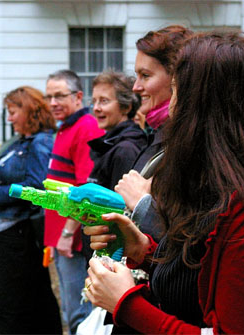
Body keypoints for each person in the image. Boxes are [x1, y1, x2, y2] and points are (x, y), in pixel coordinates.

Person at [83, 31, 244, 334]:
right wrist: (144, 251)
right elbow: (201, 277)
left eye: (176, 91)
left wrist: (126, 303)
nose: (171, 108)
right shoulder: (223, 183)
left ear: (201, 108)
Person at [0, 86, 62, 334]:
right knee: (34, 297)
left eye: (13, 112)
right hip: (14, 231)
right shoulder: (23, 141)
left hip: (21, 232)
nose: (9, 118)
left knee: (13, 304)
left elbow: (37, 187)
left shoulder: (40, 142)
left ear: (30, 111)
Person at [114, 25, 193, 238]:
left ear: (177, 79)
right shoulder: (160, 132)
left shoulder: (187, 144)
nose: (135, 87)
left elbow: (183, 234)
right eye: (136, 76)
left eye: (145, 75)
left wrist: (142, 203)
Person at [43, 69, 104, 334]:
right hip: (60, 238)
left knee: (80, 315)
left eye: (59, 96)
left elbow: (85, 188)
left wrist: (68, 233)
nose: (53, 103)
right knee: (70, 309)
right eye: (49, 96)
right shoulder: (65, 127)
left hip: (73, 241)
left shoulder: (85, 127)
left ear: (78, 96)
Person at [82, 70, 146, 261]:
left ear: (126, 107)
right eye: (94, 101)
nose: (96, 108)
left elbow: (120, 211)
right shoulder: (112, 144)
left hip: (110, 252)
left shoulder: (125, 149)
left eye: (104, 101)